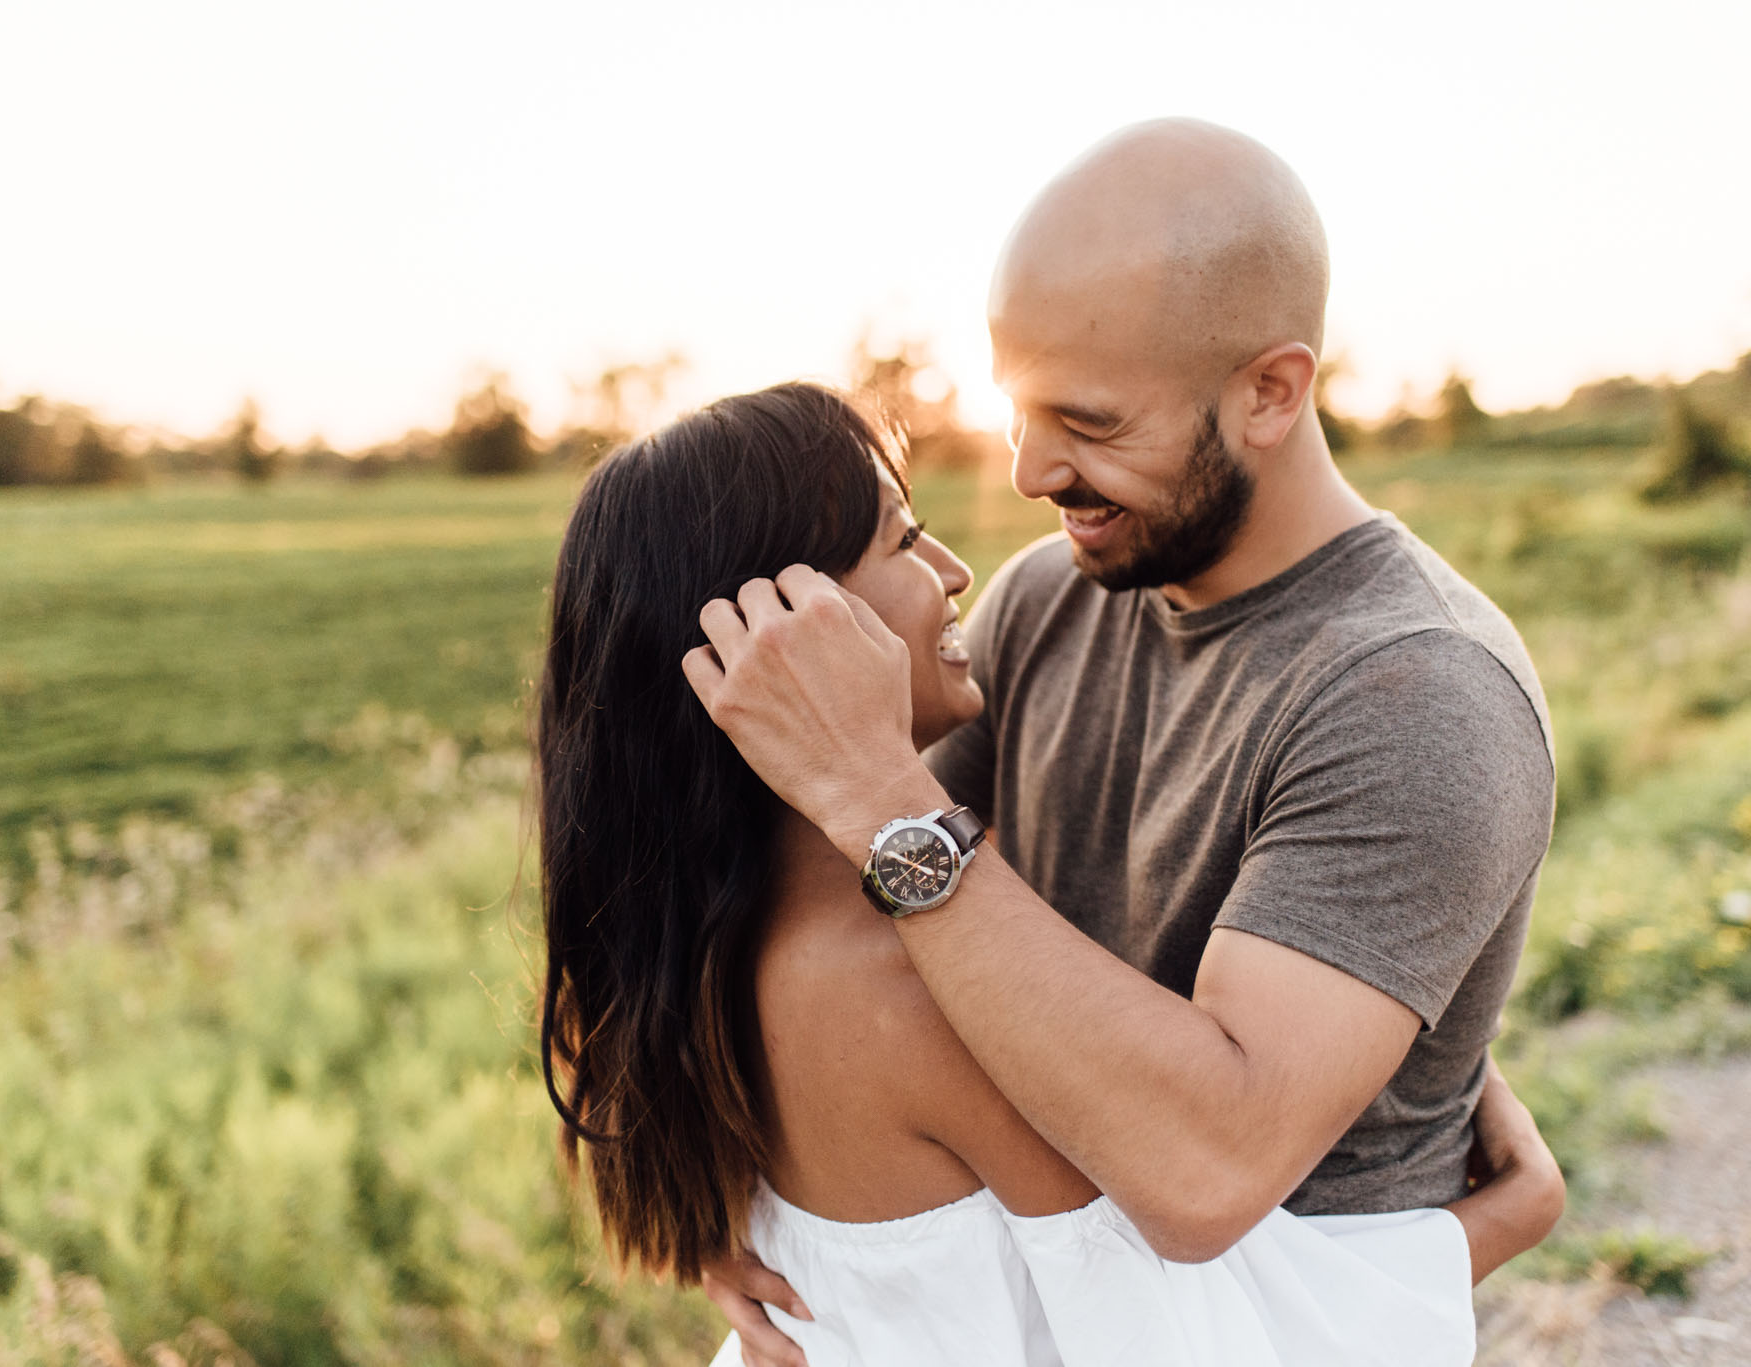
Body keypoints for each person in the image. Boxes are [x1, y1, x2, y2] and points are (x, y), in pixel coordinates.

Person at [685, 122, 1562, 1365]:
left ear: (1271, 390)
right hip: (1031, 1304)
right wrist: (725, 1173)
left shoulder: (1416, 694)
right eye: (1016, 408)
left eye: (1087, 422)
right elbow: (836, 914)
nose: (1034, 467)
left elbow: (1203, 1175)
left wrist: (881, 798)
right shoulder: (1055, 597)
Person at [540, 382, 1564, 1367]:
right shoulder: (926, 997)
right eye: (902, 538)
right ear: (785, 628)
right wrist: (1496, 1220)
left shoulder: (715, 943)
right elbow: (1189, 1335)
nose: (952, 571)